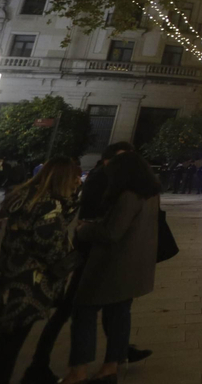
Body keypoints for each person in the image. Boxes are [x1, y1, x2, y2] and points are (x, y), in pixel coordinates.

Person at [61, 150, 161, 384]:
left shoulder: (128, 196)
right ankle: (110, 367)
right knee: (119, 315)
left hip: (113, 266)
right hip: (134, 266)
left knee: (84, 313)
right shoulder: (151, 195)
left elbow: (112, 233)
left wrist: (84, 229)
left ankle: (79, 371)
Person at [0, 158, 82, 383]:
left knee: (8, 340)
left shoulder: (24, 196)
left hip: (11, 273)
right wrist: (66, 260)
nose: (77, 181)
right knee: (11, 344)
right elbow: (48, 245)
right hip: (31, 283)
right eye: (74, 177)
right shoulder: (48, 205)